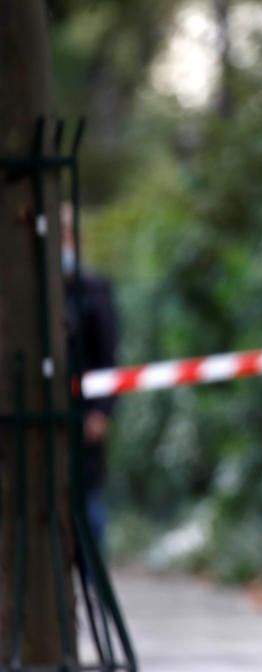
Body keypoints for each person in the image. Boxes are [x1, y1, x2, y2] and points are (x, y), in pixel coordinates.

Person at [62, 203, 120, 553]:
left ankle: (92, 584)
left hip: (82, 419)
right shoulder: (25, 292)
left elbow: (109, 357)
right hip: (39, 419)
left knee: (88, 511)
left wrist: (101, 411)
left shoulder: (93, 289)